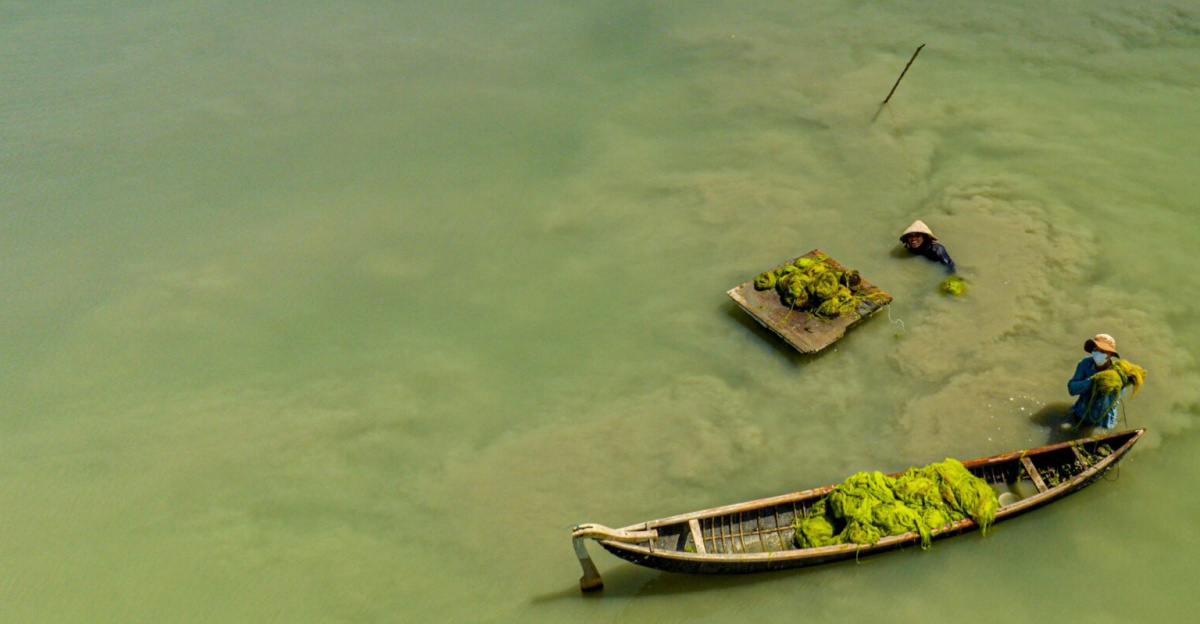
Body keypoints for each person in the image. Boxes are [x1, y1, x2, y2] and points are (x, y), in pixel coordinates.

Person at [1064, 333, 1122, 430]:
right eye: (1096, 350)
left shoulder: (1117, 374)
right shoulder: (1084, 364)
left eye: (1102, 351)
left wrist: (1105, 384)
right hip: (1080, 411)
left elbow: (1114, 402)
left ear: (1111, 354)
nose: (1098, 353)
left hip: (1102, 421)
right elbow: (1072, 389)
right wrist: (1091, 381)